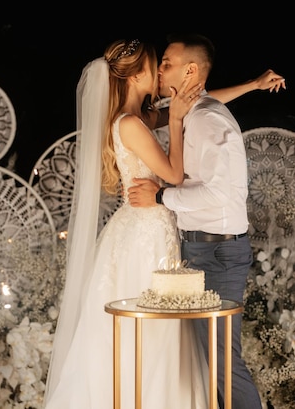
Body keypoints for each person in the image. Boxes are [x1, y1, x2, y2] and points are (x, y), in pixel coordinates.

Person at [44, 38, 207, 409]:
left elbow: (199, 100)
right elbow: (176, 175)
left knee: (162, 324)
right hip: (143, 234)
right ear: (136, 76)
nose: (162, 72)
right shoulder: (130, 124)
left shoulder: (140, 117)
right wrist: (178, 121)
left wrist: (251, 86)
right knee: (150, 326)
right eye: (156, 66)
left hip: (147, 226)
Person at [128, 33, 285, 409]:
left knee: (223, 365)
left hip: (217, 254)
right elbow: (202, 102)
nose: (161, 69)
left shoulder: (206, 121)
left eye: (166, 62)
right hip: (200, 249)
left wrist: (161, 197)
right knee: (205, 363)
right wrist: (252, 84)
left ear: (191, 70)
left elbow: (219, 195)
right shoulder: (196, 110)